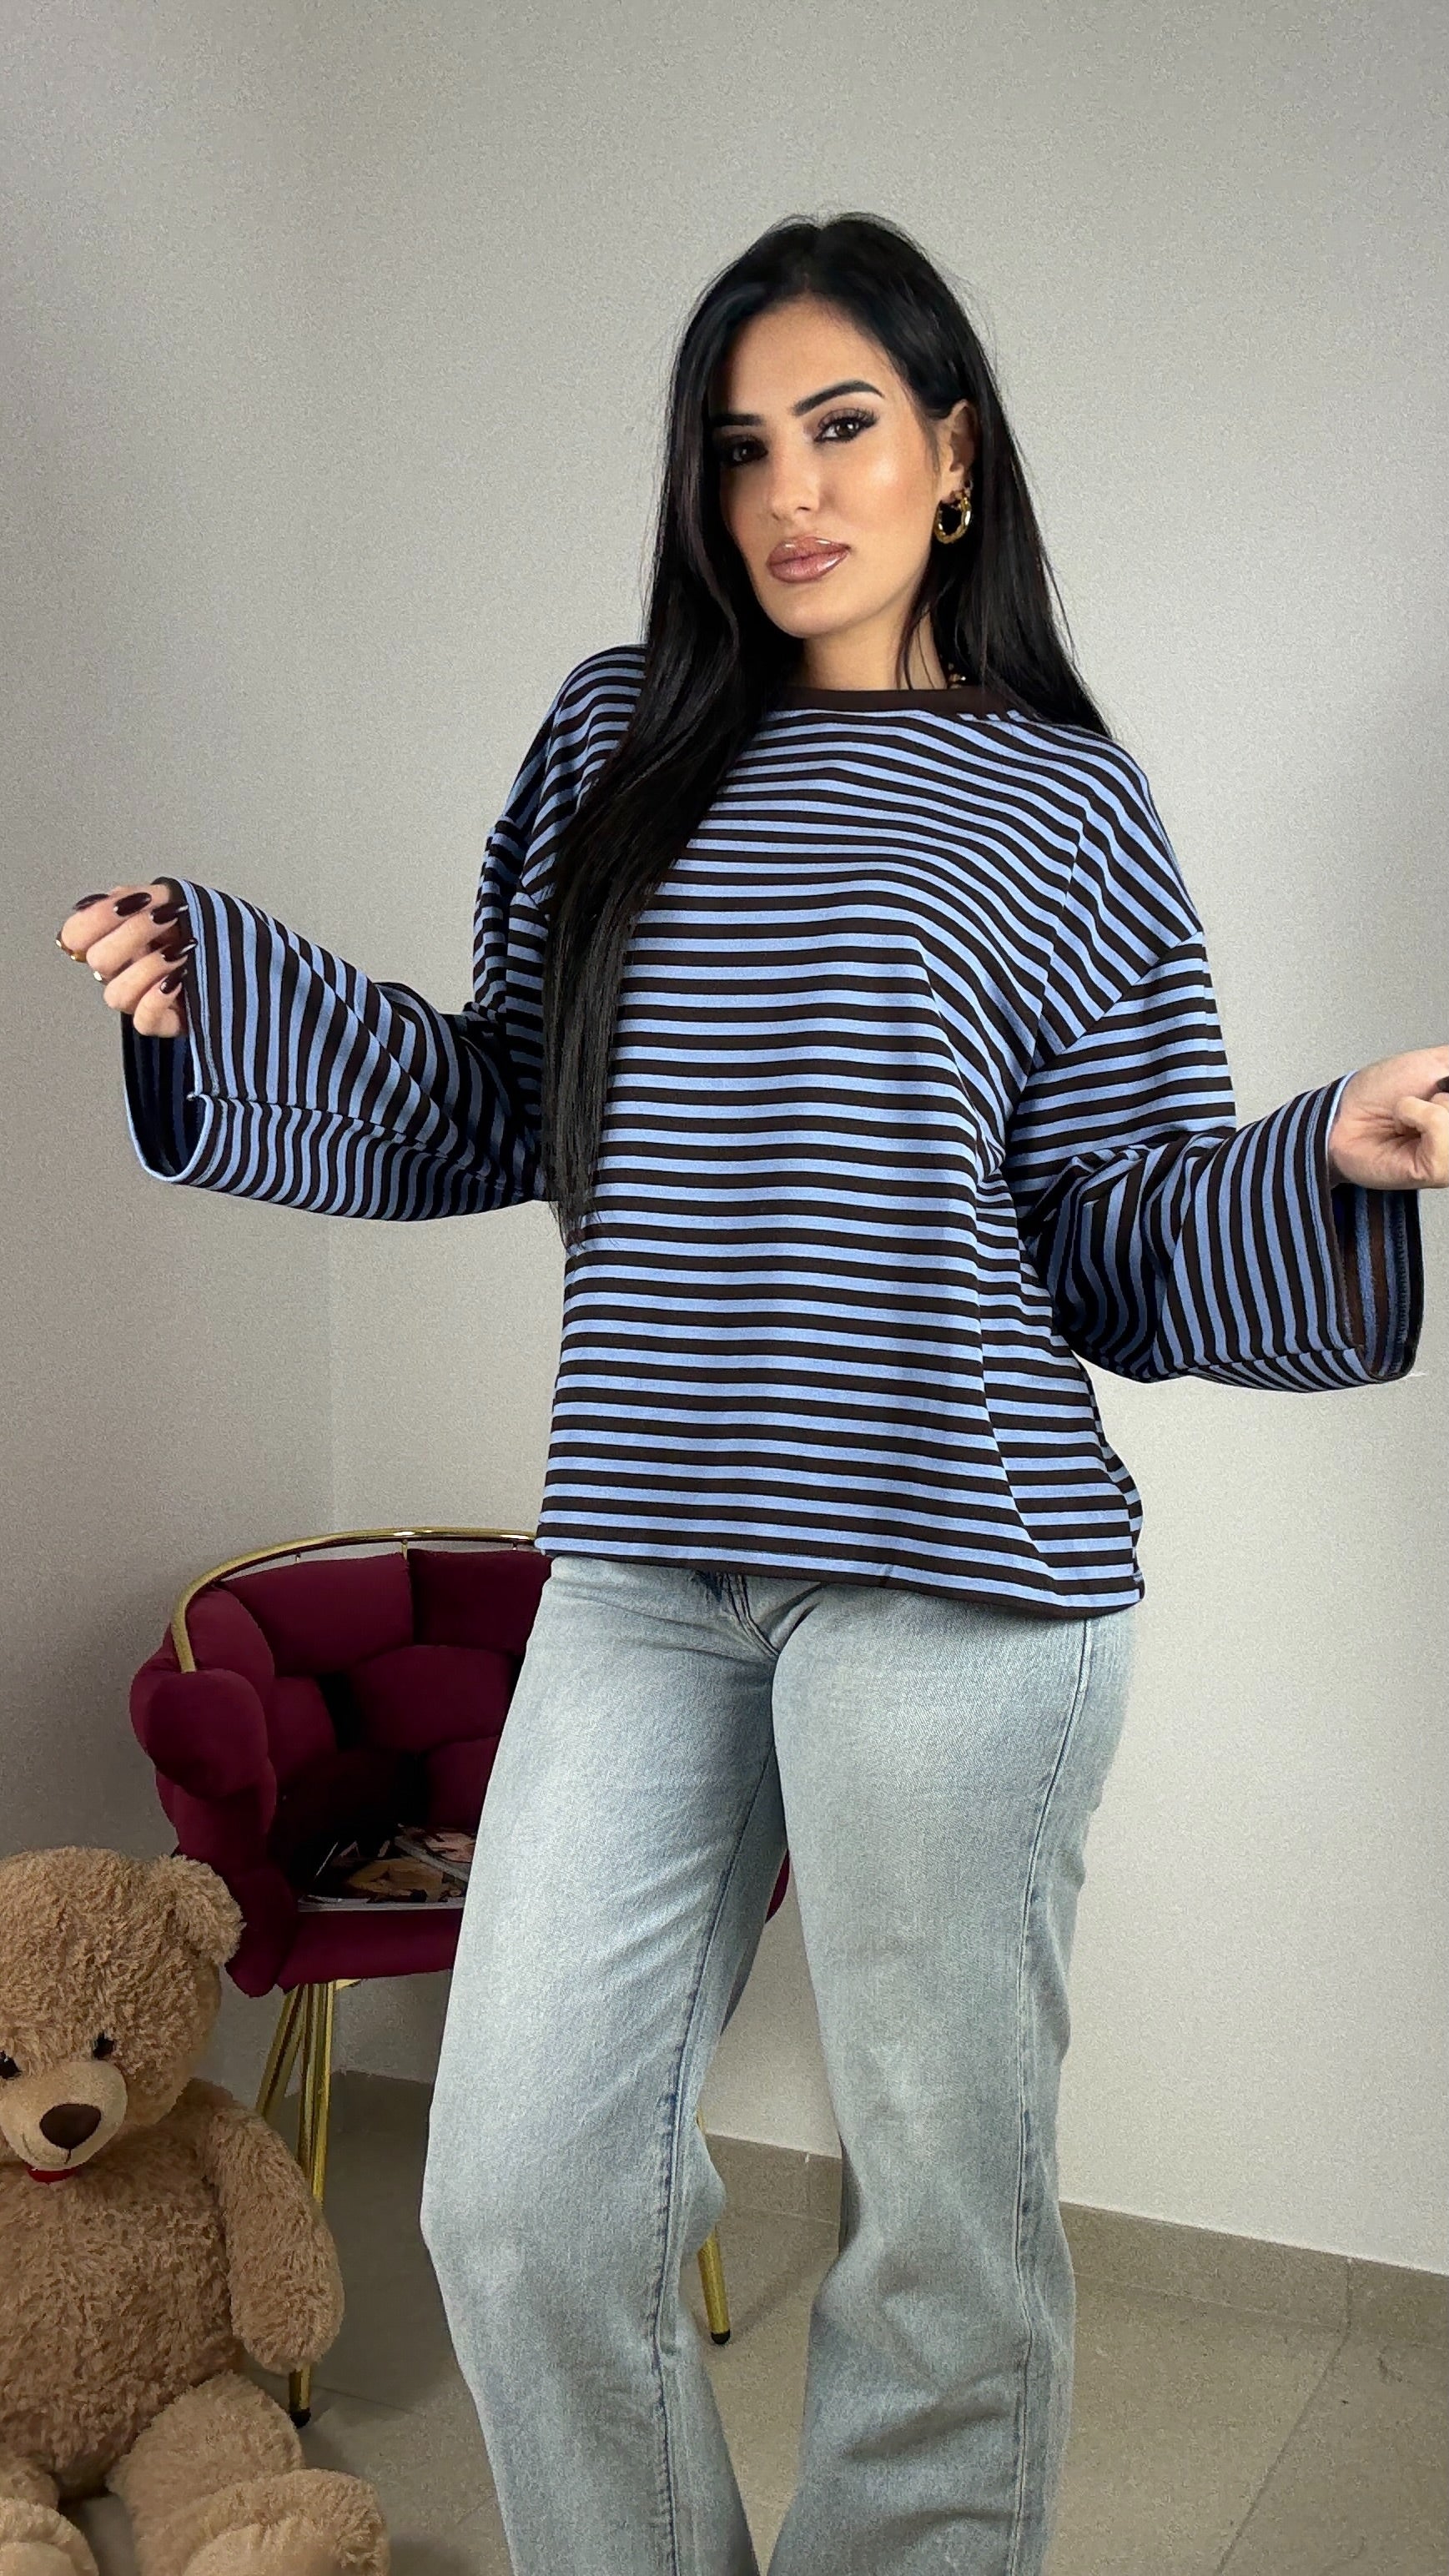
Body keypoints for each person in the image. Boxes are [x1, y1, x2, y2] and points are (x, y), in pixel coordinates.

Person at [56, 211, 1443, 2576]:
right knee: (514, 2196)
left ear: (953, 456)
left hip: (962, 1584)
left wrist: (1324, 1155)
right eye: (736, 447)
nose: (788, 490)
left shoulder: (1065, 807)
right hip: (645, 1568)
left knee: (940, 2237)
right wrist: (234, 1000)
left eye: (841, 426)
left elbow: (1109, 1228)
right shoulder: (617, 735)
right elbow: (498, 1096)